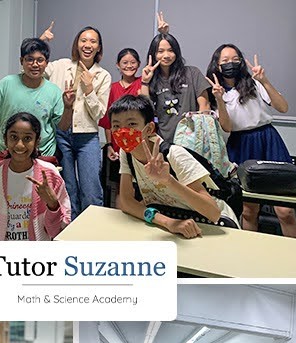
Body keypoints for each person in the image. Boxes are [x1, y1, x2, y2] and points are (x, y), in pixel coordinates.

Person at [205, 44, 296, 238]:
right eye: (225, 61)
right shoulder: (213, 93)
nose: (230, 64)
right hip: (240, 146)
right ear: (217, 65)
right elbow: (227, 128)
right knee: (249, 210)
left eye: (235, 59)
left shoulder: (254, 83)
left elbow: (283, 107)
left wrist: (264, 81)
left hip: (268, 141)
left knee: (285, 211)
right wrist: (220, 100)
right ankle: (250, 257)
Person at [110, 95, 238, 237]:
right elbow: (126, 201)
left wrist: (169, 181)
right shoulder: (126, 153)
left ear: (149, 128)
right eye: (116, 126)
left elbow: (213, 213)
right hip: (175, 222)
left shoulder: (174, 155)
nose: (122, 131)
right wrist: (168, 222)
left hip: (215, 225)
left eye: (131, 124)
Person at [39, 23, 112, 219]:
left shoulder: (103, 76)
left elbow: (99, 114)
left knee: (90, 189)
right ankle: (69, 229)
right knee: (68, 187)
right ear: (77, 44)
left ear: (98, 47)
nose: (88, 44)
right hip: (60, 135)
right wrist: (42, 41)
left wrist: (89, 89)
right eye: (84, 40)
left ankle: (92, 231)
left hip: (87, 137)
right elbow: (36, 67)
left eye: (93, 41)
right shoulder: (60, 66)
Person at [0, 112, 71, 241]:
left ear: (37, 141)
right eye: (13, 137)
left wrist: (53, 205)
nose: (20, 145)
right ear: (5, 139)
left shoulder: (49, 175)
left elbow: (59, 230)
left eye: (27, 138)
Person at [0, 37, 64, 160]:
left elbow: (62, 126)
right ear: (22, 61)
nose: (35, 64)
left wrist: (68, 107)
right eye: (29, 60)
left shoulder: (54, 91)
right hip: (6, 152)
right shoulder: (6, 84)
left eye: (40, 60)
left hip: (41, 154)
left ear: (46, 63)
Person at [139, 33, 211, 143]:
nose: (166, 55)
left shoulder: (192, 73)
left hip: (193, 140)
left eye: (171, 50)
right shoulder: (153, 80)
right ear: (153, 54)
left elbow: (204, 106)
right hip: (166, 141)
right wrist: (145, 82)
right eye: (160, 51)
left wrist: (202, 136)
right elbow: (146, 111)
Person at [99, 48, 146, 206]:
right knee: (121, 184)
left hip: (139, 144)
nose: (129, 66)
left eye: (133, 62)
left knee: (142, 184)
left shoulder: (142, 83)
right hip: (119, 145)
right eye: (125, 63)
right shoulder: (112, 88)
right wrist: (110, 145)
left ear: (138, 64)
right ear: (118, 65)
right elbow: (107, 120)